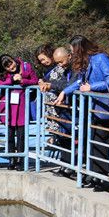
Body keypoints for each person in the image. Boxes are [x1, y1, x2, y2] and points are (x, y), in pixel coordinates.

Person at [56, 36, 109, 192]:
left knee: (101, 141)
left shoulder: (100, 58)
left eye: (73, 50)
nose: (72, 53)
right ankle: (92, 174)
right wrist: (65, 92)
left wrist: (92, 87)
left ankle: (102, 177)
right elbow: (79, 82)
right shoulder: (85, 62)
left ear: (80, 48)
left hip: (103, 107)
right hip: (91, 107)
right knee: (91, 140)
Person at [0, 54, 39, 170]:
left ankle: (20, 160)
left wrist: (22, 80)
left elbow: (35, 80)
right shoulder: (3, 74)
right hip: (8, 106)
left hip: (22, 104)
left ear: (13, 59)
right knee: (10, 134)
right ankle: (11, 159)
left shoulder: (26, 66)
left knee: (21, 135)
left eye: (11, 63)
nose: (11, 67)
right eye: (7, 67)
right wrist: (11, 79)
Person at [43, 47, 77, 176]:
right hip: (64, 108)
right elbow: (60, 83)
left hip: (74, 107)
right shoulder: (64, 69)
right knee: (63, 137)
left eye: (61, 62)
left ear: (69, 56)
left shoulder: (76, 68)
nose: (59, 65)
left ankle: (72, 166)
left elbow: (69, 85)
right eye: (57, 62)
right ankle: (65, 165)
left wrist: (52, 85)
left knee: (74, 138)